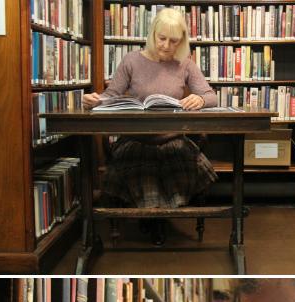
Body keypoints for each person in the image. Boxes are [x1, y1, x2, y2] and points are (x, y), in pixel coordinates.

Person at [81, 8, 218, 246]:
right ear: (153, 34)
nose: (166, 45)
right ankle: (152, 220)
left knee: (174, 160)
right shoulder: (131, 60)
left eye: (173, 41)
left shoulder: (184, 64)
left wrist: (201, 99)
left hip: (173, 141)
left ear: (181, 41)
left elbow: (211, 96)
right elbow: (111, 95)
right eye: (161, 38)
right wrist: (94, 101)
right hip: (135, 140)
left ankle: (156, 220)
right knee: (145, 165)